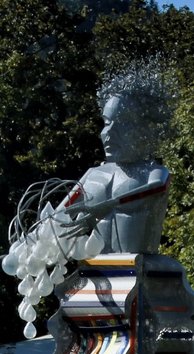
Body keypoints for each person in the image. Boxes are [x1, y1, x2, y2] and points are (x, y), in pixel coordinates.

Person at [56, 70, 173, 255]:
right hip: (97, 273)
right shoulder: (93, 175)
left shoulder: (153, 172)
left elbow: (157, 187)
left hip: (140, 269)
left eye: (124, 122)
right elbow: (58, 216)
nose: (110, 132)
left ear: (145, 129)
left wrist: (107, 205)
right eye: (107, 122)